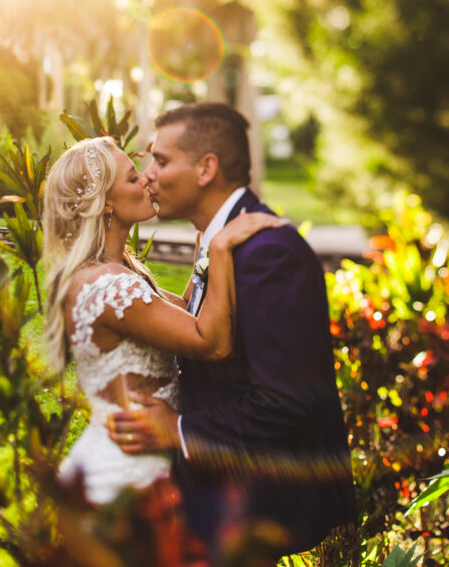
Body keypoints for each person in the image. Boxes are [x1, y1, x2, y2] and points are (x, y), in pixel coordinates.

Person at [107, 102, 357, 560]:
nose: (149, 175)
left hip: (256, 503)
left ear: (206, 168)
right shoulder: (218, 239)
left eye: (161, 161)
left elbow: (287, 400)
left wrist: (179, 430)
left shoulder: (266, 253)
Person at [42, 135, 283, 506]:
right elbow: (211, 342)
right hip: (127, 474)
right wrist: (219, 251)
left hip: (143, 458)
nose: (147, 181)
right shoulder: (109, 286)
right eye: (132, 178)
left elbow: (186, 311)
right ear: (106, 204)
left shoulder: (114, 272)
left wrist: (205, 237)